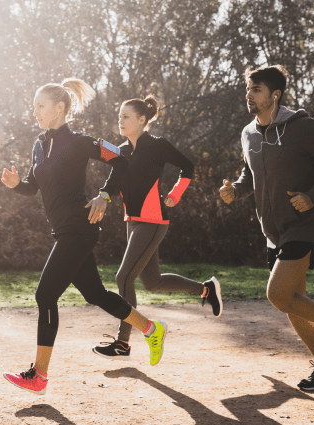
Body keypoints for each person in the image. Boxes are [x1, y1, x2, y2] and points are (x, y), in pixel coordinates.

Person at [0, 79, 167, 395]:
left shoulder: (79, 142)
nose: (34, 112)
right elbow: (33, 186)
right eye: (34, 106)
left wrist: (105, 195)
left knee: (45, 295)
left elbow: (121, 159)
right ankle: (150, 328)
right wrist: (15, 185)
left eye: (40, 106)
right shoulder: (39, 145)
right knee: (96, 294)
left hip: (80, 227)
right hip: (64, 231)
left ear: (59, 109)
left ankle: (39, 374)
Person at [219, 65, 314, 391]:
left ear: (275, 95)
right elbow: (250, 176)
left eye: (256, 90)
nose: (249, 96)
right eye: (248, 90)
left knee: (278, 295)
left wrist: (313, 196)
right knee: (294, 300)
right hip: (273, 230)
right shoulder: (248, 133)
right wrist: (235, 190)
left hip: (304, 225)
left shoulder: (301, 127)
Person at [91, 95, 223, 361]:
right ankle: (206, 289)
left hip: (153, 220)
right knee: (152, 282)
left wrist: (176, 193)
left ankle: (123, 343)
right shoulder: (121, 151)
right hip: (132, 220)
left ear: (142, 120)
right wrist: (102, 196)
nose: (121, 121)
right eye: (119, 116)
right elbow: (113, 183)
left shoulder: (158, 145)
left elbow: (188, 166)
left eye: (126, 116)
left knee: (123, 278)